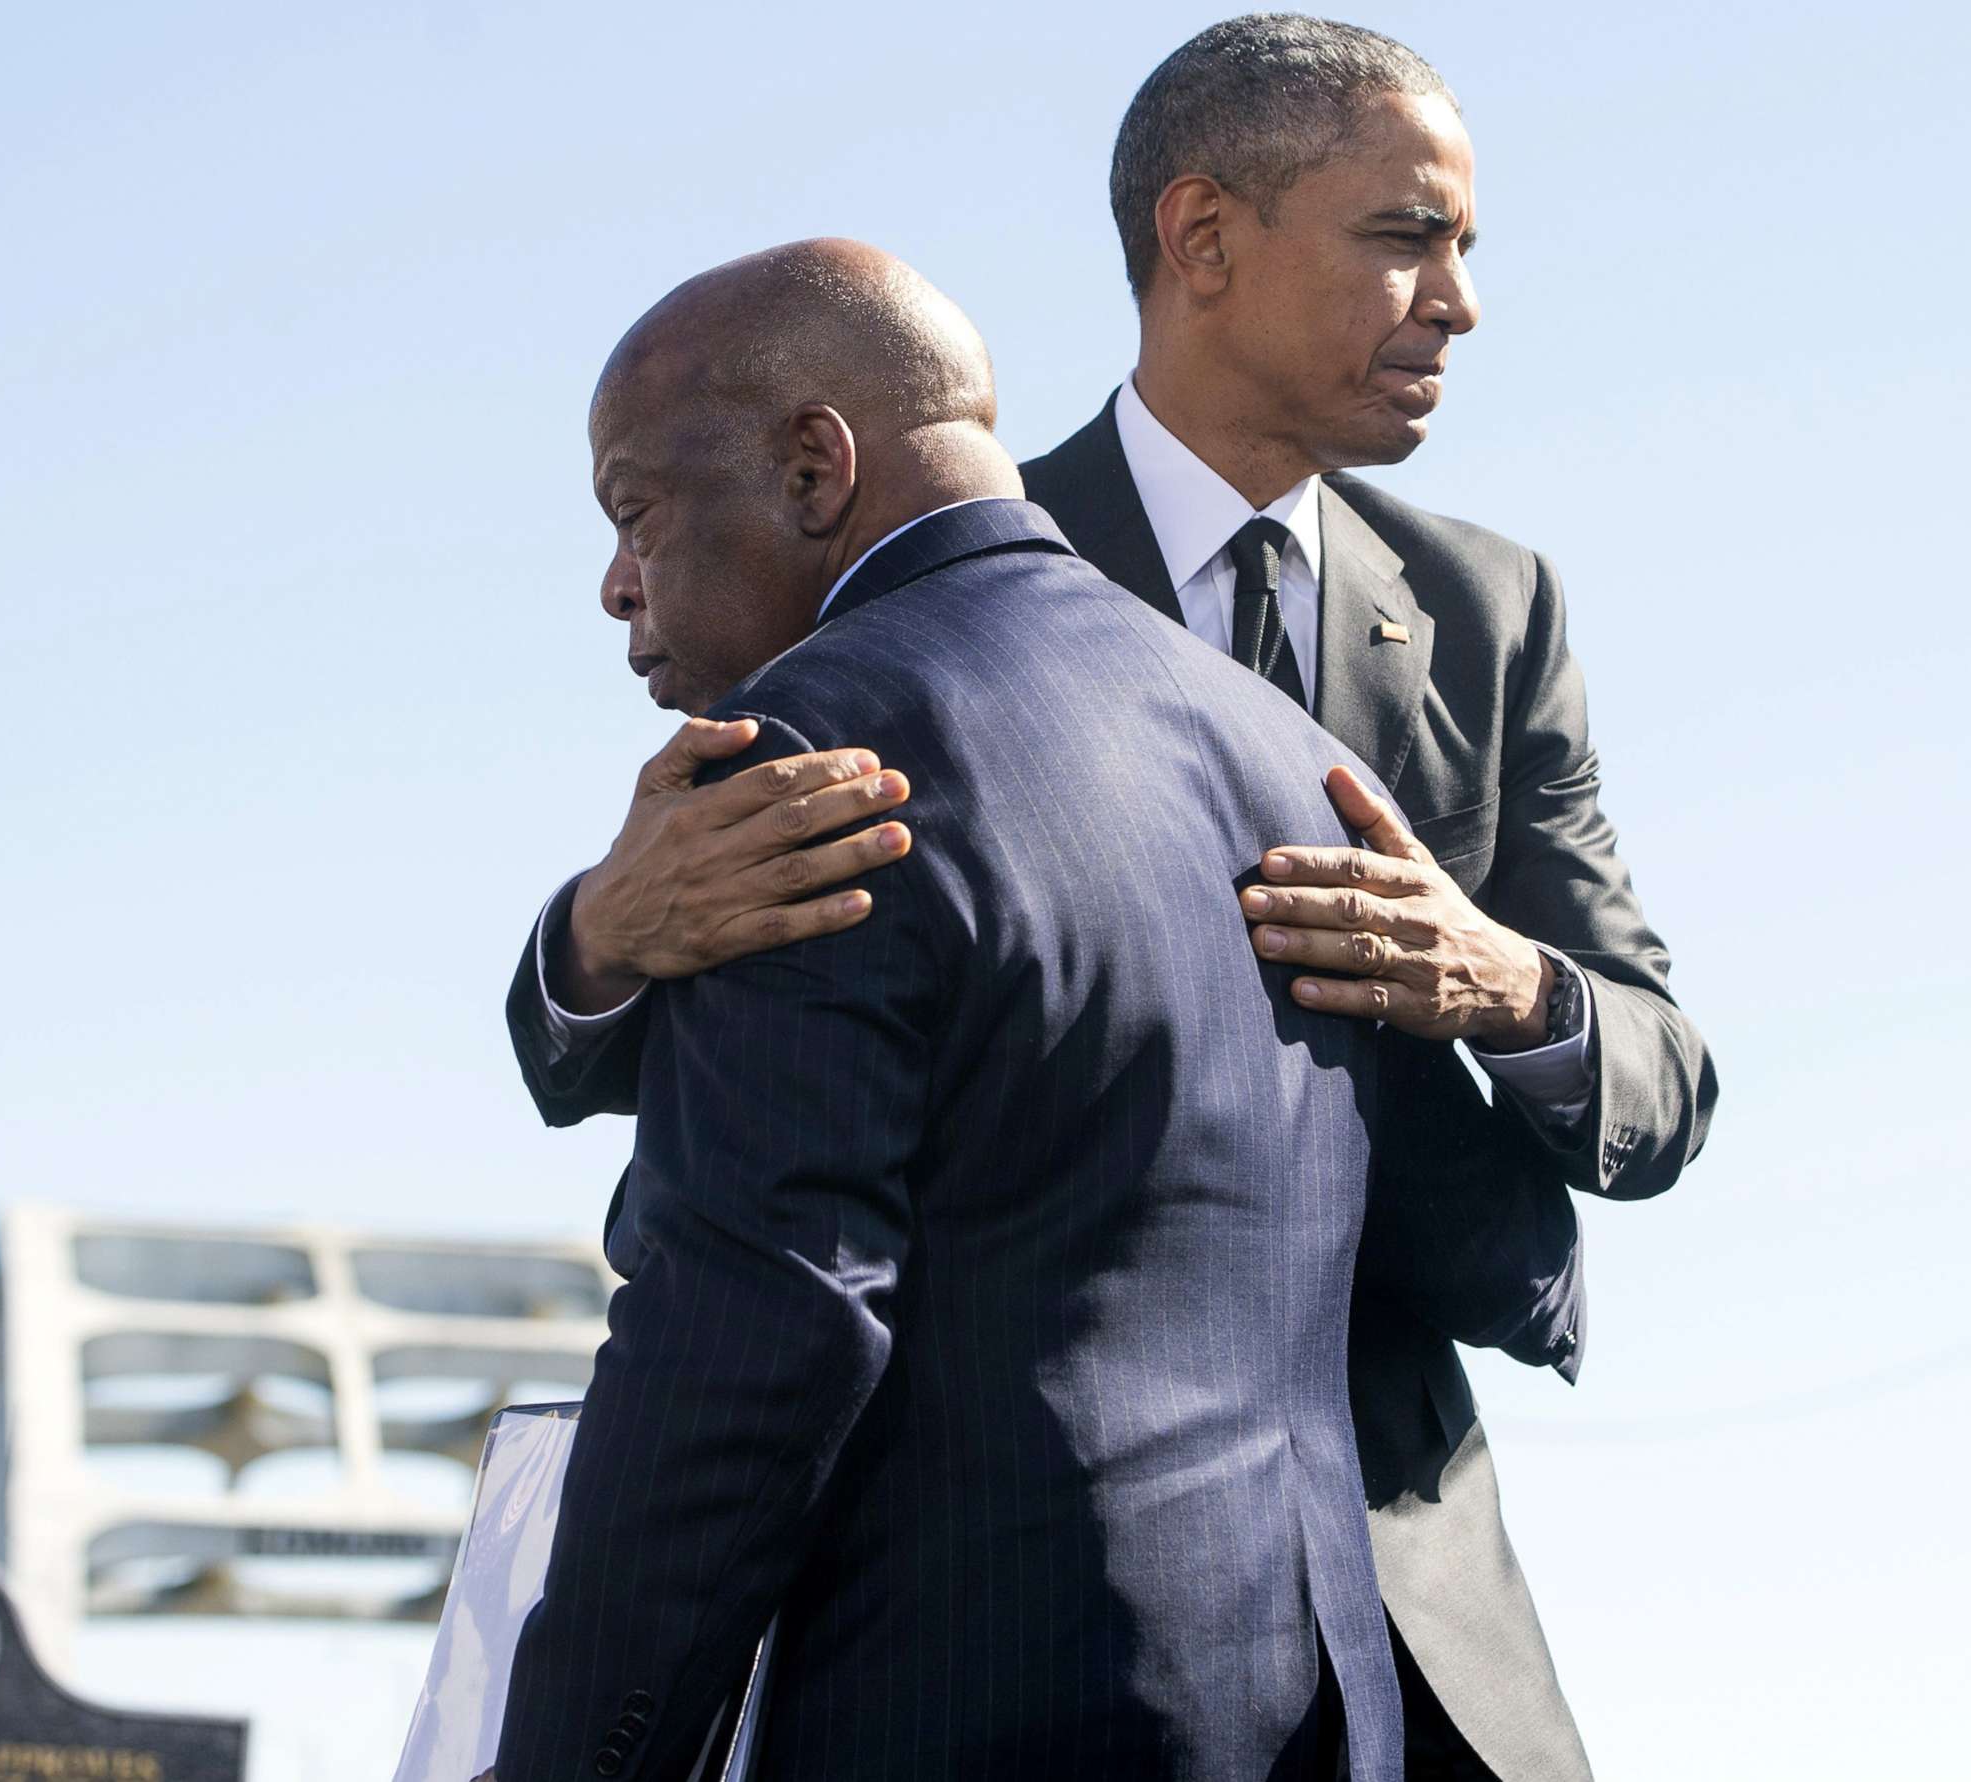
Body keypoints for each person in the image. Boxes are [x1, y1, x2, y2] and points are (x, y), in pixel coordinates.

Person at [507, 18, 1718, 1778]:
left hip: (1404, 1601)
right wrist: (597, 940)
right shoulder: (916, 561)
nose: (1458, 297)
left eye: (1464, 246)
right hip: (1005, 1569)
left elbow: (1665, 1075)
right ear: (1203, 238)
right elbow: (779, 1045)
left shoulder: (1491, 614)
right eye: (1407, 234)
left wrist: (1503, 982)